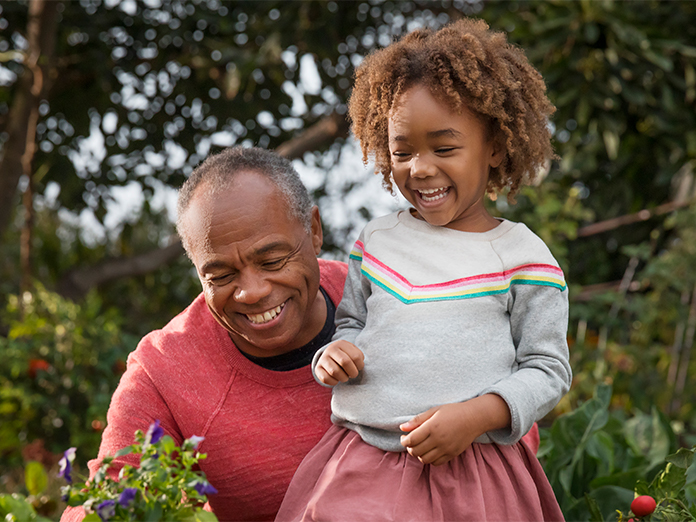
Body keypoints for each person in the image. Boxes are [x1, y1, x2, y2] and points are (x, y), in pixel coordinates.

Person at [275, 18, 572, 522]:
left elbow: (548, 371)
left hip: (475, 473)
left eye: (445, 147)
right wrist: (335, 354)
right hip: (362, 462)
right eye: (402, 151)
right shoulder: (377, 241)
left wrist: (476, 416)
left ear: (495, 147)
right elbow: (353, 326)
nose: (420, 168)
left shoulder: (523, 256)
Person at [60, 146, 349, 522]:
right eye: (221, 276)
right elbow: (111, 494)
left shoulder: (388, 295)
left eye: (272, 261)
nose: (252, 291)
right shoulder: (166, 369)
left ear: (313, 231)